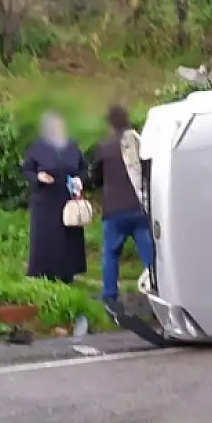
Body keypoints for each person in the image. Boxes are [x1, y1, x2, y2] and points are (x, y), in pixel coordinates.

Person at [85, 104, 155, 304]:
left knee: (110, 253)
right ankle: (157, 290)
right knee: (149, 254)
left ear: (110, 124)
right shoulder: (139, 142)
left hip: (114, 209)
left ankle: (110, 296)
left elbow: (95, 178)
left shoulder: (103, 147)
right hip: (139, 207)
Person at [21, 112, 89, 283]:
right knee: (46, 237)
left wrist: (79, 179)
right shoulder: (37, 147)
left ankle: (67, 274)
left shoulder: (71, 146)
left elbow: (83, 168)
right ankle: (43, 274)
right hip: (45, 200)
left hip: (67, 198)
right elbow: (27, 170)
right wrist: (38, 177)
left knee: (68, 238)